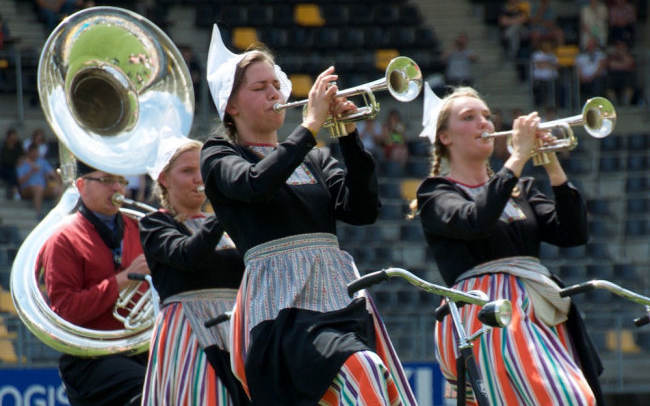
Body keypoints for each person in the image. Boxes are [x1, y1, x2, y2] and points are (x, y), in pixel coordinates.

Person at [200, 24, 416, 406]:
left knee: (369, 383)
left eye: (275, 84)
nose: (275, 93)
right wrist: (311, 126)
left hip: (337, 295)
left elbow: (362, 211)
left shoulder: (313, 156)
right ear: (230, 106)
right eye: (259, 88)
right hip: (281, 303)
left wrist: (348, 136)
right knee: (363, 373)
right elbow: (254, 184)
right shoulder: (218, 153)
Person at [416, 84, 604, 405]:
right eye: (469, 117)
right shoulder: (435, 192)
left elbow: (574, 234)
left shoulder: (521, 189)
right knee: (567, 398)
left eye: (487, 116)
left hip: (537, 312)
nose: (485, 124)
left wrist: (551, 164)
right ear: (445, 137)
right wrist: (517, 157)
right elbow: (475, 221)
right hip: (488, 314)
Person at [139, 134, 249, 406]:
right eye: (187, 171)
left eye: (202, 170)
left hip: (236, 330)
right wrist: (224, 206)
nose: (199, 179)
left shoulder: (227, 223)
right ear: (164, 178)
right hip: (189, 332)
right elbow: (188, 255)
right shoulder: (155, 223)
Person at [38, 160, 150, 406]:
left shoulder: (139, 228)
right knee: (153, 390)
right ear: (81, 185)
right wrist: (121, 281)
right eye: (107, 180)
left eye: (121, 180)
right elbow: (65, 312)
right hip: (90, 358)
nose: (117, 188)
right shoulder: (62, 239)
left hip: (140, 351)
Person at [16, 143, 62, 218]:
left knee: (58, 189)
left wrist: (59, 183)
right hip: (26, 189)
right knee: (38, 188)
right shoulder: (22, 163)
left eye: (36, 152)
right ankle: (38, 213)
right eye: (33, 152)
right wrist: (31, 171)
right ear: (29, 152)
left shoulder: (42, 162)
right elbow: (20, 181)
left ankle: (58, 213)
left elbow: (52, 173)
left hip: (42, 187)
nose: (35, 154)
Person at [0, 128, 24, 200]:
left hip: (16, 168)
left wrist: (20, 161)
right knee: (12, 171)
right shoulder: (3, 148)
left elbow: (22, 156)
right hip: (4, 169)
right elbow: (5, 161)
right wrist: (16, 162)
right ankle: (16, 191)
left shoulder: (18, 147)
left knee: (15, 171)